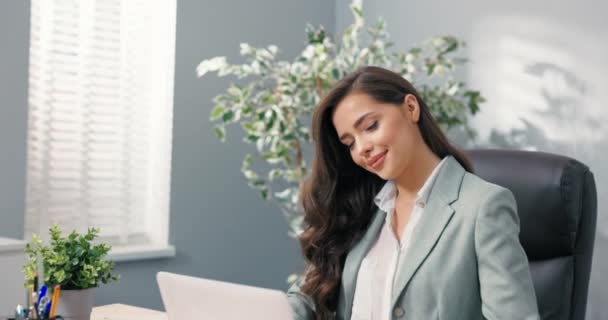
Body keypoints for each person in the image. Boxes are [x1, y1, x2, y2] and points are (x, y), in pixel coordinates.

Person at [286, 66, 540, 320]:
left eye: (371, 126)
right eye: (350, 143)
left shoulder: (482, 206)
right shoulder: (359, 210)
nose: (361, 147)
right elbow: (304, 300)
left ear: (410, 108)